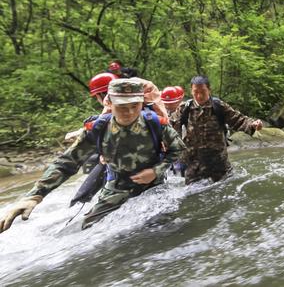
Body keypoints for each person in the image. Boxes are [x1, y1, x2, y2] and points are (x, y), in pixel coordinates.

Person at [0, 78, 185, 232]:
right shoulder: (98, 129)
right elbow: (67, 163)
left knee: (162, 230)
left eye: (135, 106)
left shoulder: (156, 123)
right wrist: (34, 196)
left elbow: (178, 149)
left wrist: (156, 171)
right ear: (109, 103)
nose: (129, 112)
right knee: (89, 229)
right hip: (117, 186)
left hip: (154, 184)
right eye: (122, 106)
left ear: (142, 103)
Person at [171, 75, 263, 184]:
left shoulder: (218, 106)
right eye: (196, 92)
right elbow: (170, 126)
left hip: (218, 163)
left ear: (209, 90)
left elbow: (238, 120)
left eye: (203, 92)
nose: (199, 96)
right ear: (191, 91)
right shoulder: (184, 108)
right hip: (193, 164)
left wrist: (253, 124)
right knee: (193, 196)